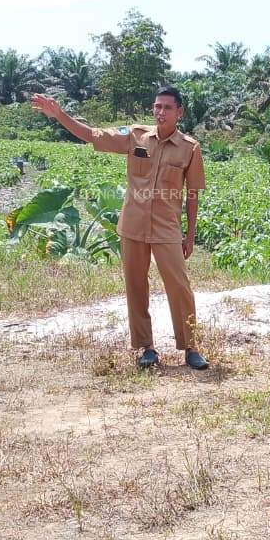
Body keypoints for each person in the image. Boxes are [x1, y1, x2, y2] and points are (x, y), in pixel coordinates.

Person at [30, 87, 209, 370]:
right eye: (157, 106)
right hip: (133, 226)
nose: (160, 112)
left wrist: (190, 235)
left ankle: (190, 347)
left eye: (167, 107)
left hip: (166, 228)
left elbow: (194, 194)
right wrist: (59, 115)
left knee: (179, 286)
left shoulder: (190, 148)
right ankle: (146, 347)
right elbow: (92, 134)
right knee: (136, 285)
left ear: (179, 112)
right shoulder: (135, 136)